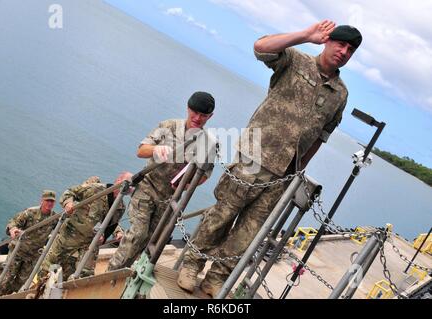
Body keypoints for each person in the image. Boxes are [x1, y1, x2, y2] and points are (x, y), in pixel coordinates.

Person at [177, 21, 362, 297]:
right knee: (222, 214)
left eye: (350, 49)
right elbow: (260, 47)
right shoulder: (296, 60)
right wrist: (304, 35)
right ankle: (192, 263)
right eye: (340, 44)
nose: (344, 51)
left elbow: (322, 135)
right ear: (327, 41)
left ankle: (217, 277)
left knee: (249, 231)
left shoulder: (341, 94)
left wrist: (299, 171)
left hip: (285, 172)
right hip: (254, 156)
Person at [107, 92, 216, 271]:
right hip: (147, 188)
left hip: (170, 198)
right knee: (138, 234)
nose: (197, 118)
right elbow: (141, 150)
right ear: (188, 108)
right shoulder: (168, 126)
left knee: (151, 240)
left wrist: (188, 184)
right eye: (194, 112)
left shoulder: (207, 144)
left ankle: (123, 272)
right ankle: (111, 272)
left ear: (210, 116)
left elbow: (205, 174)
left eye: (203, 115)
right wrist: (157, 149)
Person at [38, 172, 132, 281]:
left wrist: (106, 236)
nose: (129, 188)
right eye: (128, 184)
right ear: (118, 180)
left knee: (82, 274)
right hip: (70, 236)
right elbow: (70, 192)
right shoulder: (97, 190)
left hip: (89, 243)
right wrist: (68, 204)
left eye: (131, 186)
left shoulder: (120, 207)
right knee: (48, 268)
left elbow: (112, 224)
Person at [0, 190, 58, 296]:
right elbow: (14, 222)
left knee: (21, 281)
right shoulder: (30, 212)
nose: (49, 203)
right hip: (18, 251)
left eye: (52, 201)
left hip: (32, 255)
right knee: (8, 277)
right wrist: (13, 229)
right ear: (42, 201)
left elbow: (61, 228)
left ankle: (10, 296)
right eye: (47, 200)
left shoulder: (54, 218)